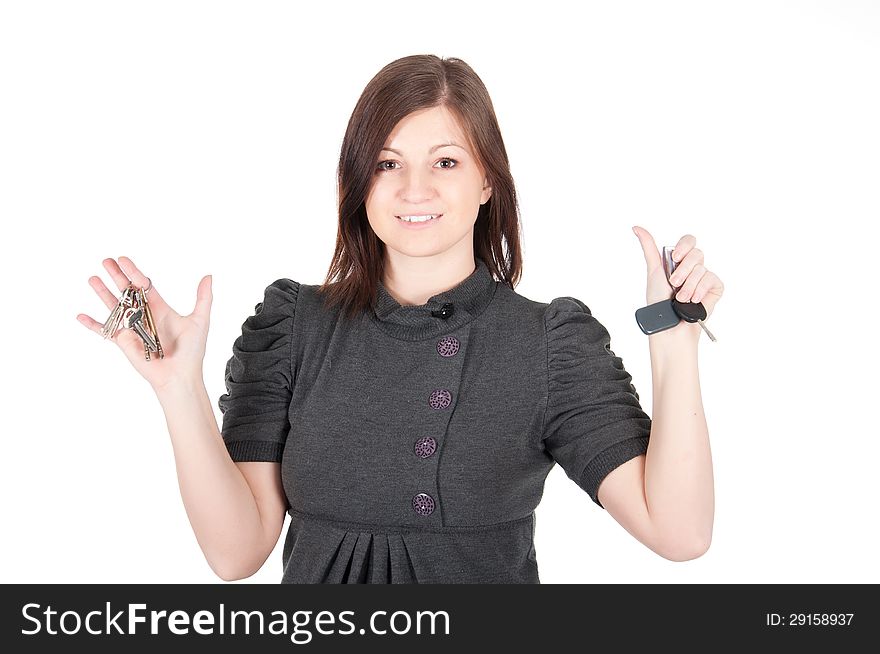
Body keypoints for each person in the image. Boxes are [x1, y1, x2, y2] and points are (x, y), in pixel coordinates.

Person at [77, 54, 722, 583]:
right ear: (359, 183)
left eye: (446, 162)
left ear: (487, 182)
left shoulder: (545, 344)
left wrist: (674, 342)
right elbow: (236, 553)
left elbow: (679, 532)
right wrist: (177, 388)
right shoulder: (294, 327)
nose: (415, 190)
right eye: (388, 164)